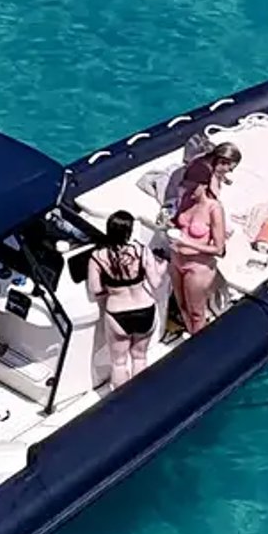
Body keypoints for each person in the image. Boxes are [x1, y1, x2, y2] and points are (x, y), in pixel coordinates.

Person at [87, 210, 165, 390]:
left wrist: (112, 289)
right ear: (128, 232)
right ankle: (140, 394)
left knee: (119, 363)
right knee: (140, 357)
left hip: (117, 313)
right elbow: (155, 282)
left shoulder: (97, 257)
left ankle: (122, 400)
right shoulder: (141, 250)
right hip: (145, 309)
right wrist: (161, 266)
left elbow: (95, 290)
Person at [169, 161, 227, 337]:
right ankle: (190, 335)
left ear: (203, 185)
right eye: (187, 186)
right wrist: (168, 222)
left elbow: (219, 248)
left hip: (198, 267)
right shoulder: (187, 199)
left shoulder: (214, 209)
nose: (189, 191)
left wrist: (186, 242)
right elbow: (178, 223)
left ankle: (197, 345)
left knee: (196, 312)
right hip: (177, 260)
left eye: (193, 187)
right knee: (182, 306)